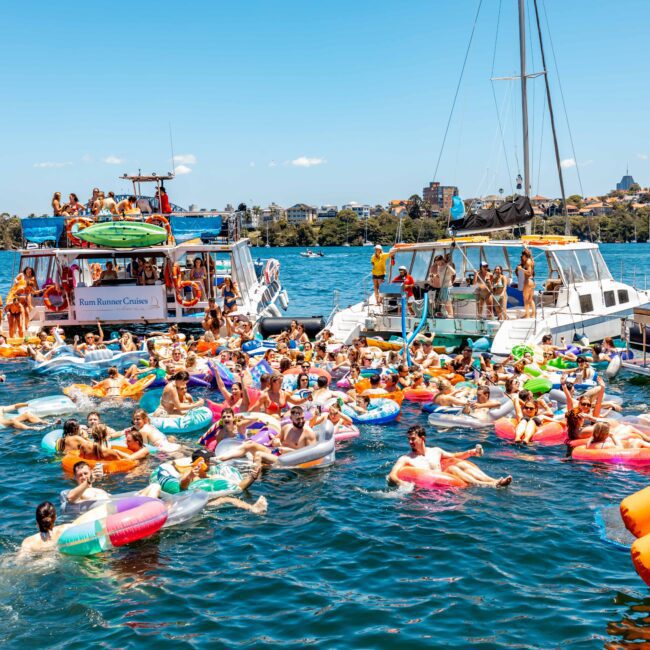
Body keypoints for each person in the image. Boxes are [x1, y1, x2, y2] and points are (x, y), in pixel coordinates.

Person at [388, 425, 512, 488]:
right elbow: (392, 475)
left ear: (422, 438)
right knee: (452, 469)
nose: (410, 442)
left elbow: (454, 456)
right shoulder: (406, 458)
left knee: (459, 464)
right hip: (428, 490)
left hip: (446, 485)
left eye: (413, 439)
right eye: (408, 439)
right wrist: (402, 484)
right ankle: (490, 485)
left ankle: (492, 480)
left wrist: (471, 452)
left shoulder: (436, 451)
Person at [216, 405, 317, 466]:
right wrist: (274, 440)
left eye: (302, 418)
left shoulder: (308, 433)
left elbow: (313, 455)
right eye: (298, 419)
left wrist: (289, 451)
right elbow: (276, 440)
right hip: (277, 453)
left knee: (259, 455)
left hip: (289, 459)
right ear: (291, 418)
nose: (301, 421)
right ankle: (220, 458)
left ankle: (254, 479)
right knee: (250, 444)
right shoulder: (287, 428)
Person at [516, 248, 535, 318]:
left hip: (528, 281)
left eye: (522, 256)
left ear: (524, 255)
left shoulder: (528, 262)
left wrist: (521, 269)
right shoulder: (531, 260)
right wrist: (525, 246)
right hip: (532, 281)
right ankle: (533, 314)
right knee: (530, 299)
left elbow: (529, 272)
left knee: (525, 299)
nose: (522, 257)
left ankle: (527, 315)